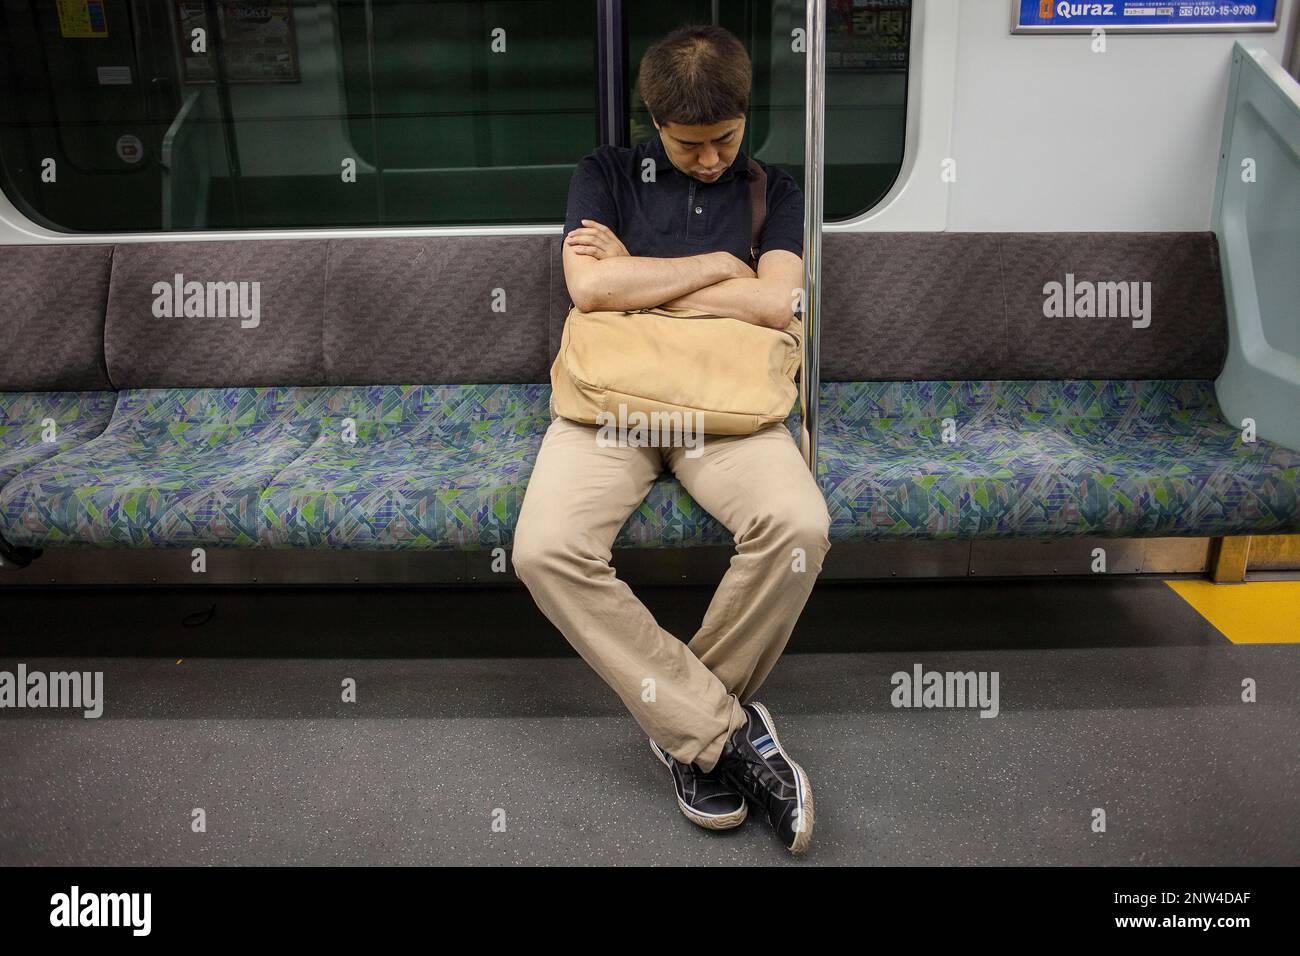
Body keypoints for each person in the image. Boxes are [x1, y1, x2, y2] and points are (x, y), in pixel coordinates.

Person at [511, 24, 831, 855]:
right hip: (610, 407)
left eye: (727, 139)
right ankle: (724, 737)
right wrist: (725, 267)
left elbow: (774, 307)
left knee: (798, 528)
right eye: (691, 146)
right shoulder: (606, 174)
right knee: (544, 549)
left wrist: (641, 284)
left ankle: (686, 726)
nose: (713, 160)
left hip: (725, 410)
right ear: (656, 125)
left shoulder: (776, 192)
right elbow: (588, 286)